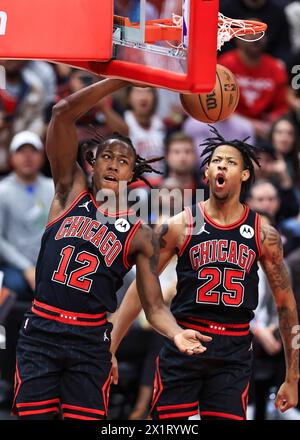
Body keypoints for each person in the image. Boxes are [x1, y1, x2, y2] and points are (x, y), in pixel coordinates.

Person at [12, 78, 207, 420]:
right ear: (93, 162)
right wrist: (121, 79)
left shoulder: (140, 234)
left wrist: (176, 333)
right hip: (41, 332)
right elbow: (62, 112)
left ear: (132, 172)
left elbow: (155, 305)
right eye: (107, 157)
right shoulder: (68, 194)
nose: (114, 164)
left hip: (90, 341)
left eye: (123, 160)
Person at [110, 127, 299, 420]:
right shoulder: (178, 225)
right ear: (207, 173)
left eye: (231, 162)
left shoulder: (264, 233)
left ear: (245, 175)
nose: (222, 165)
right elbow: (141, 291)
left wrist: (293, 376)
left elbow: (286, 306)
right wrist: (111, 346)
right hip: (185, 342)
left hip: (233, 353)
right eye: (216, 161)